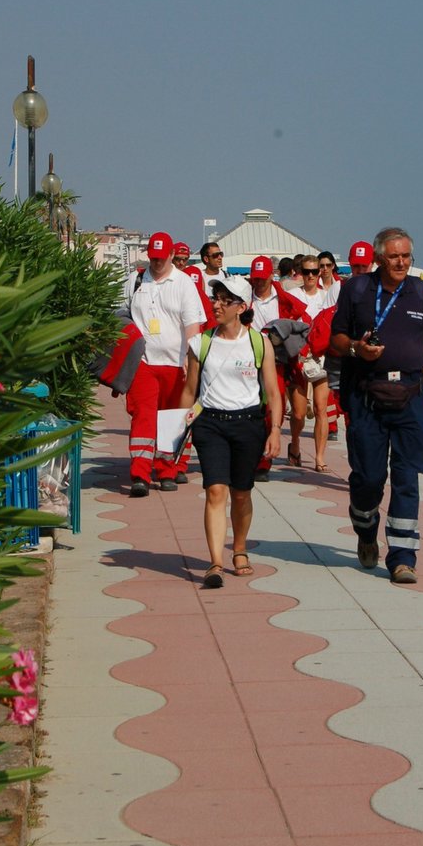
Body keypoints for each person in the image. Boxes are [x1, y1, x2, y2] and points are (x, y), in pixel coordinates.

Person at [330, 226, 423, 584]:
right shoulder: (356, 290)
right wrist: (357, 348)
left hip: (411, 396)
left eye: (407, 256)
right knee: (368, 478)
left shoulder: (422, 293)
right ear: (379, 257)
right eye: (394, 256)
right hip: (366, 395)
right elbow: (336, 340)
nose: (401, 262)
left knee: (406, 476)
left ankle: (402, 557)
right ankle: (366, 532)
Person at [180, 276, 282, 588]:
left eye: (225, 300)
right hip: (210, 423)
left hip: (248, 423)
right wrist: (177, 428)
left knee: (241, 493)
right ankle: (215, 562)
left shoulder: (258, 342)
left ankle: (239, 549)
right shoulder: (201, 342)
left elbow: (273, 392)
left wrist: (275, 430)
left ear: (241, 307)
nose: (217, 305)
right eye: (216, 298)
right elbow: (189, 390)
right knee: (215, 491)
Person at [125, 232, 205, 497]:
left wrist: (190, 360)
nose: (157, 263)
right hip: (143, 362)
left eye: (162, 258)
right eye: (153, 257)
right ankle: (140, 473)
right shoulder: (135, 281)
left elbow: (192, 326)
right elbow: (121, 318)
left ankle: (167, 470)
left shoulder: (183, 284)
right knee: (143, 416)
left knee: (172, 419)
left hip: (176, 364)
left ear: (172, 255)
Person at [248, 255, 310, 480]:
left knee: (273, 409)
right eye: (255, 278)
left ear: (271, 276)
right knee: (249, 410)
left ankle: (264, 461)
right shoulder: (244, 298)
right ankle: (249, 456)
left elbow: (302, 324)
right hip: (247, 361)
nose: (258, 283)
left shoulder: (284, 299)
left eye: (262, 279)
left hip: (276, 363)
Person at [288, 256, 331, 471]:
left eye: (316, 271)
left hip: (321, 358)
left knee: (321, 408)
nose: (312, 276)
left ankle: (319, 457)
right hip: (298, 359)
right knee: (298, 413)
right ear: (300, 273)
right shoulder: (293, 296)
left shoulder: (327, 297)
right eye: (307, 272)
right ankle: (295, 444)